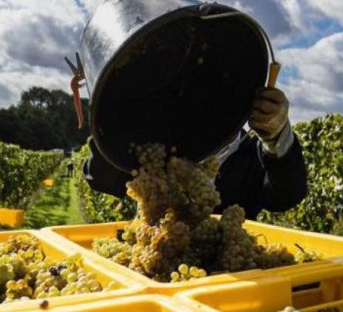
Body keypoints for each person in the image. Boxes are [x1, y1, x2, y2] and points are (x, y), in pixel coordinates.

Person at [82, 87, 307, 220]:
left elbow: (286, 196)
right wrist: (112, 117)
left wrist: (277, 137)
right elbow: (101, 178)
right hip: (157, 268)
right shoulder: (164, 150)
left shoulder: (253, 155)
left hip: (229, 280)